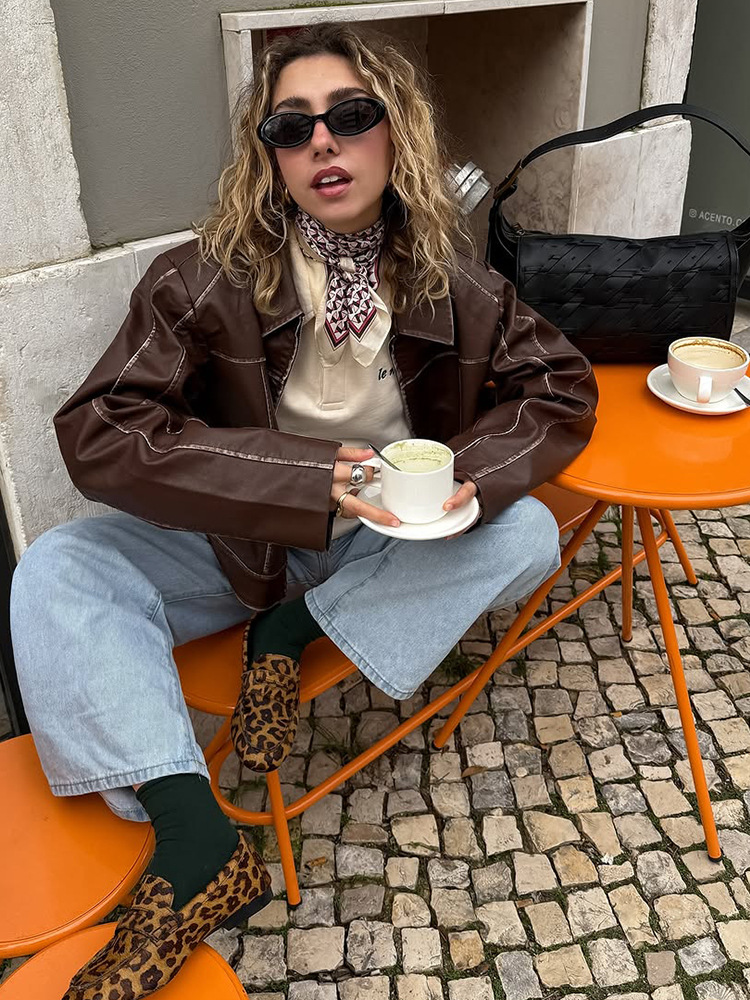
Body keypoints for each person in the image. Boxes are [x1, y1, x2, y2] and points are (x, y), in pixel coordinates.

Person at [10, 22, 597, 1000]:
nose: (323, 140)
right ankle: (197, 839)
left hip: (385, 546)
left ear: (394, 132)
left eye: (351, 115)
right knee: (59, 569)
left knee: (529, 531)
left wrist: (461, 475)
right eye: (292, 126)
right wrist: (296, 475)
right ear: (272, 158)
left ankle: (293, 633)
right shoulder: (200, 275)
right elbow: (99, 431)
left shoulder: (455, 281)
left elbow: (561, 388)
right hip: (239, 546)